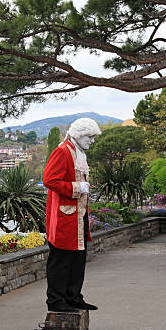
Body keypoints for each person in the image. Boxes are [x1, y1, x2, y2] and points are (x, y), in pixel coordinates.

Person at [43, 118, 101, 312]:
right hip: (63, 217)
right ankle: (56, 301)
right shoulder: (62, 152)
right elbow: (49, 180)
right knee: (61, 259)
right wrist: (76, 187)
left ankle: (73, 297)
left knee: (77, 258)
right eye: (89, 137)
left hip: (78, 215)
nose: (92, 141)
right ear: (78, 135)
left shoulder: (78, 153)